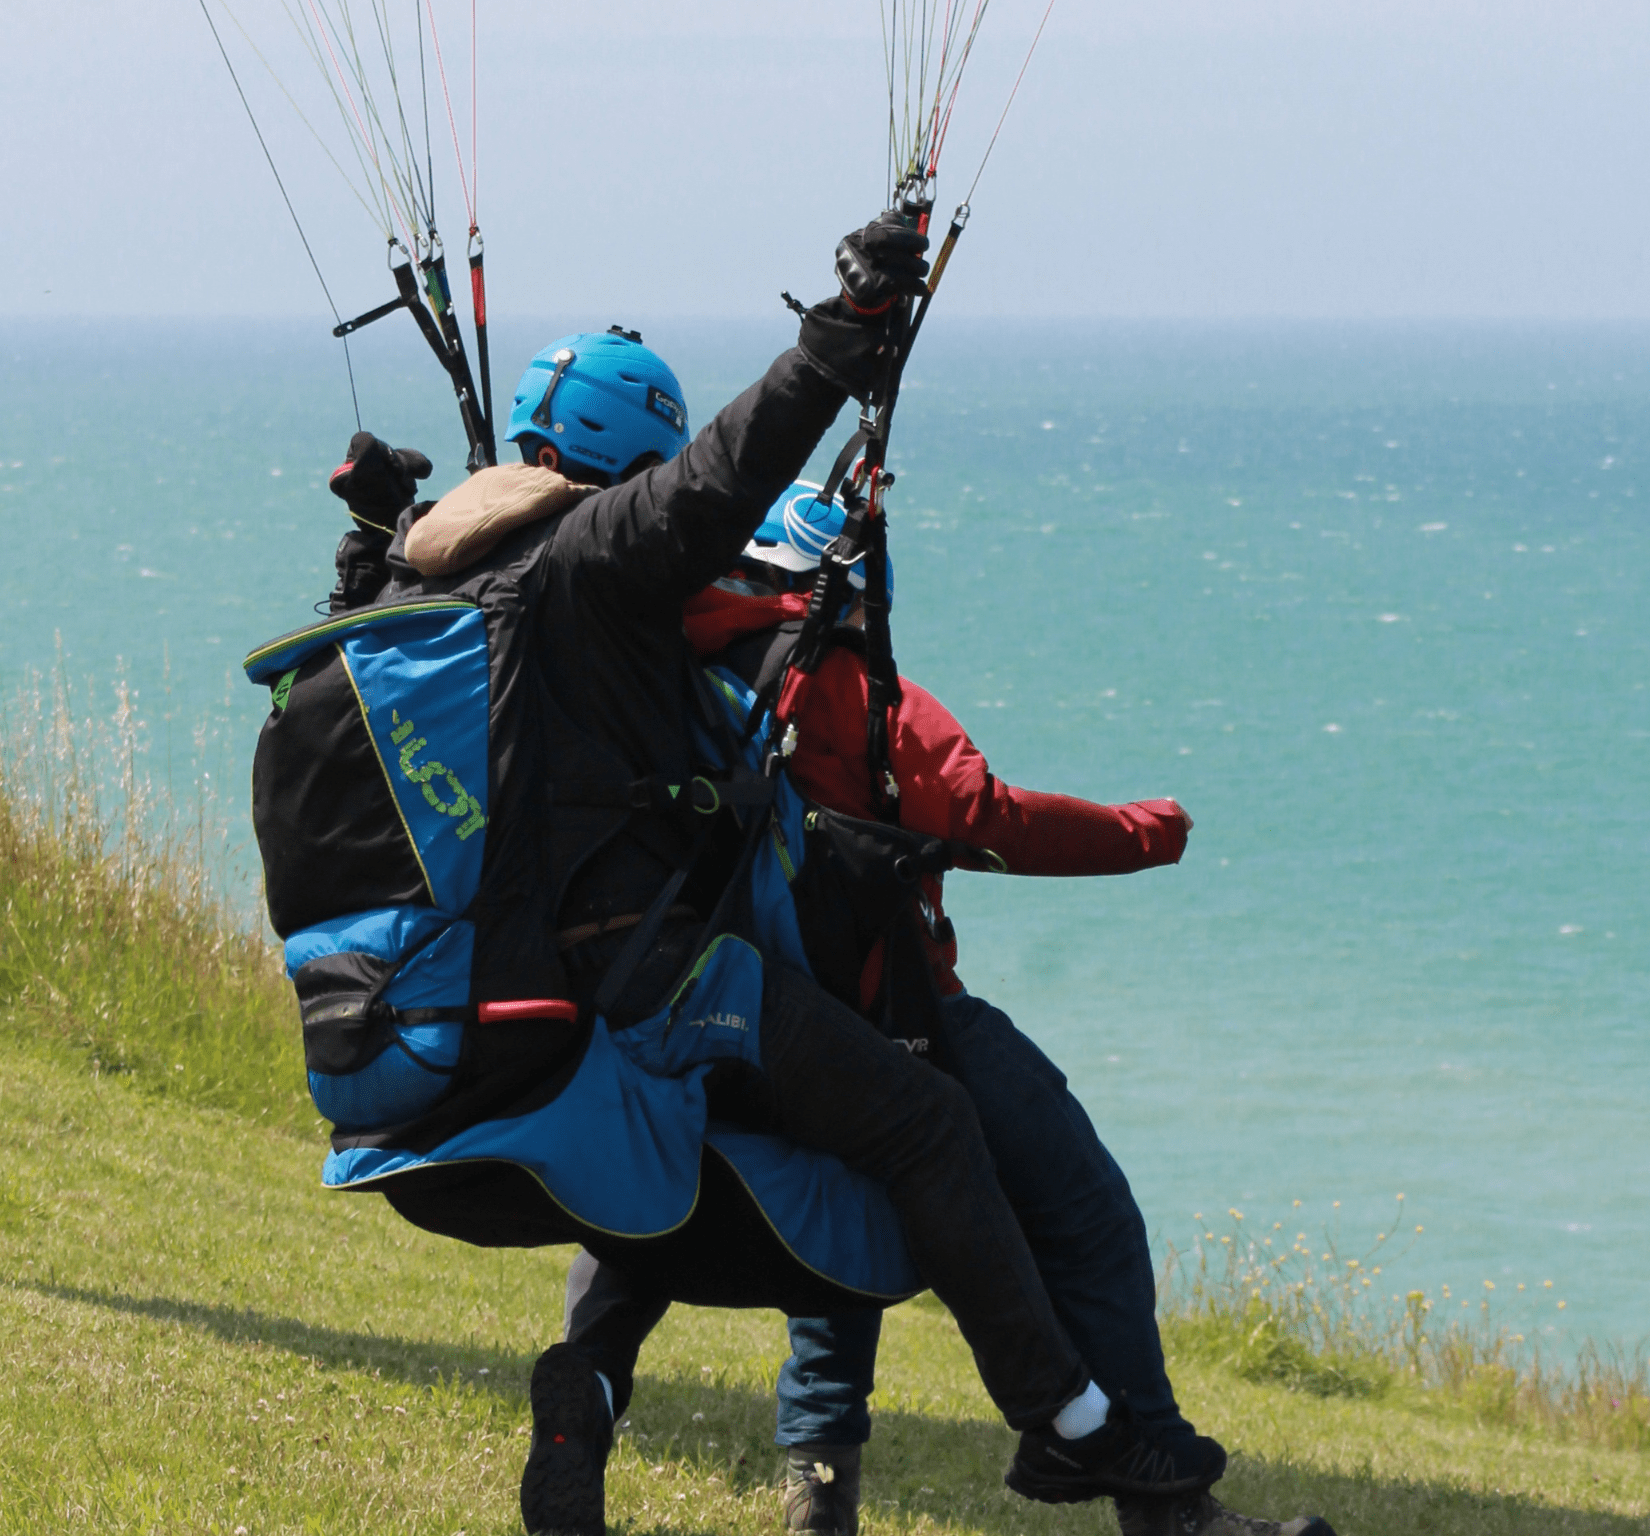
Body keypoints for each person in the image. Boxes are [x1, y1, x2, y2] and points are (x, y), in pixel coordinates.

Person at [297, 215, 1224, 1535]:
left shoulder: (436, 584)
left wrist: (369, 537)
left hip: (482, 980)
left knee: (682, 1189)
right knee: (924, 1126)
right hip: (660, 973)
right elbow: (726, 482)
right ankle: (1079, 1430)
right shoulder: (600, 566)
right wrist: (838, 342)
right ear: (634, 461)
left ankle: (599, 1399)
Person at [544, 485, 1335, 1536]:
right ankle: (1166, 1508)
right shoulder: (845, 687)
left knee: (824, 1232)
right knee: (1084, 1209)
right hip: (882, 1006)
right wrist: (1146, 833)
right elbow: (979, 815)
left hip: (710, 1006)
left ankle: (797, 1502)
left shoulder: (662, 671)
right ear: (847, 592)